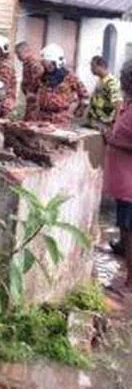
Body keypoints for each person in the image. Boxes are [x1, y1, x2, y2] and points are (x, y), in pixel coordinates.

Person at [103, 59, 132, 290]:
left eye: (123, 77)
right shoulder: (128, 105)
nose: (120, 80)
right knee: (125, 230)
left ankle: (130, 282)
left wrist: (112, 141)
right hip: (123, 183)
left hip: (129, 184)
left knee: (129, 231)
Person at [33, 43, 89, 127]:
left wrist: (75, 112)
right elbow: (33, 93)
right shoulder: (42, 77)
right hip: (42, 118)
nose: (46, 66)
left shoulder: (69, 77)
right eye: (44, 63)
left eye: (49, 64)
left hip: (60, 119)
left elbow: (84, 97)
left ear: (56, 62)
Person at [88, 55, 123, 130]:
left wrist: (116, 123)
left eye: (93, 66)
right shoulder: (101, 80)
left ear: (102, 66)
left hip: (105, 123)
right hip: (97, 122)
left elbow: (118, 103)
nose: (91, 69)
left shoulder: (111, 81)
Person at [16, 41, 45, 121]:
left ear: (25, 51)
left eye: (18, 54)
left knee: (32, 121)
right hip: (29, 99)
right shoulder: (27, 63)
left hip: (35, 100)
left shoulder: (34, 63)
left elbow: (39, 80)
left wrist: (32, 92)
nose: (18, 57)